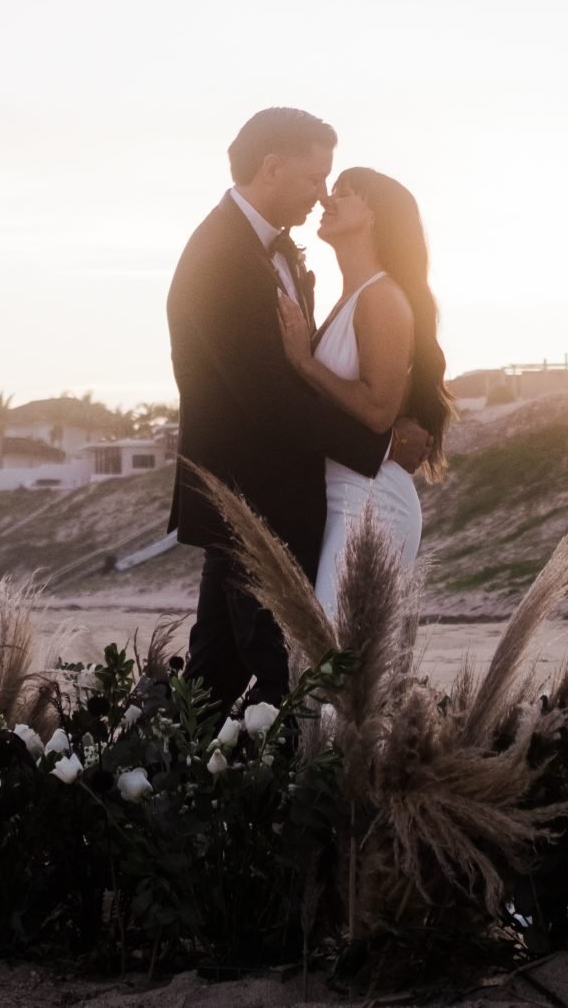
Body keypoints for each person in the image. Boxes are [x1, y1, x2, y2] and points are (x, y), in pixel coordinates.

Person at [166, 107, 434, 710]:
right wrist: (381, 444)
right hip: (252, 501)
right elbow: (266, 398)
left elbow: (342, 376)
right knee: (286, 677)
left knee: (222, 680)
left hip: (285, 506)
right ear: (272, 168)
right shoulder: (223, 259)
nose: (321, 196)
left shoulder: (271, 254)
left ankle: (150, 781)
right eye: (316, 180)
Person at [273, 165, 448, 614]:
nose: (327, 201)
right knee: (330, 663)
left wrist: (304, 363)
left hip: (373, 504)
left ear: (375, 217)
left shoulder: (382, 298)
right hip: (344, 498)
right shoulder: (350, 299)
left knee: (336, 656)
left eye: (345, 193)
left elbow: (377, 409)